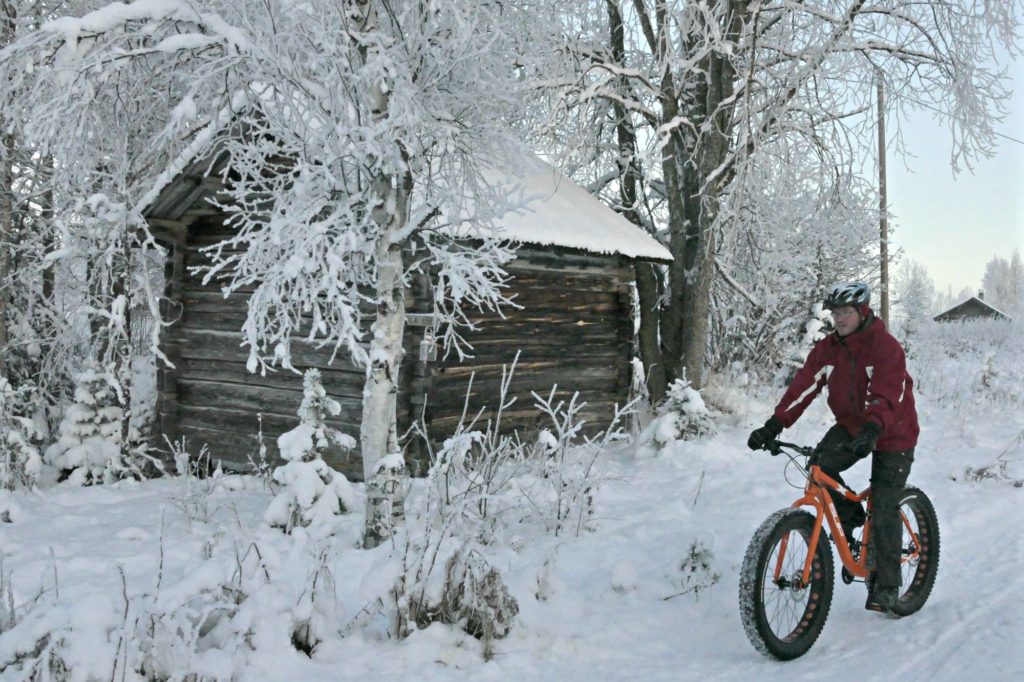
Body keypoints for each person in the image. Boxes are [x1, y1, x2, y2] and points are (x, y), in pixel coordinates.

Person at [747, 282, 919, 615]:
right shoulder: (829, 350)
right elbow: (803, 386)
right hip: (854, 427)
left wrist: (873, 427)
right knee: (820, 466)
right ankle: (853, 519)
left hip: (893, 430)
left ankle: (887, 584)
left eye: (845, 313)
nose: (839, 319)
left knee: (884, 502)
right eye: (836, 313)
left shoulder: (885, 347)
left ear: (862, 312)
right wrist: (774, 425)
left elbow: (887, 393)